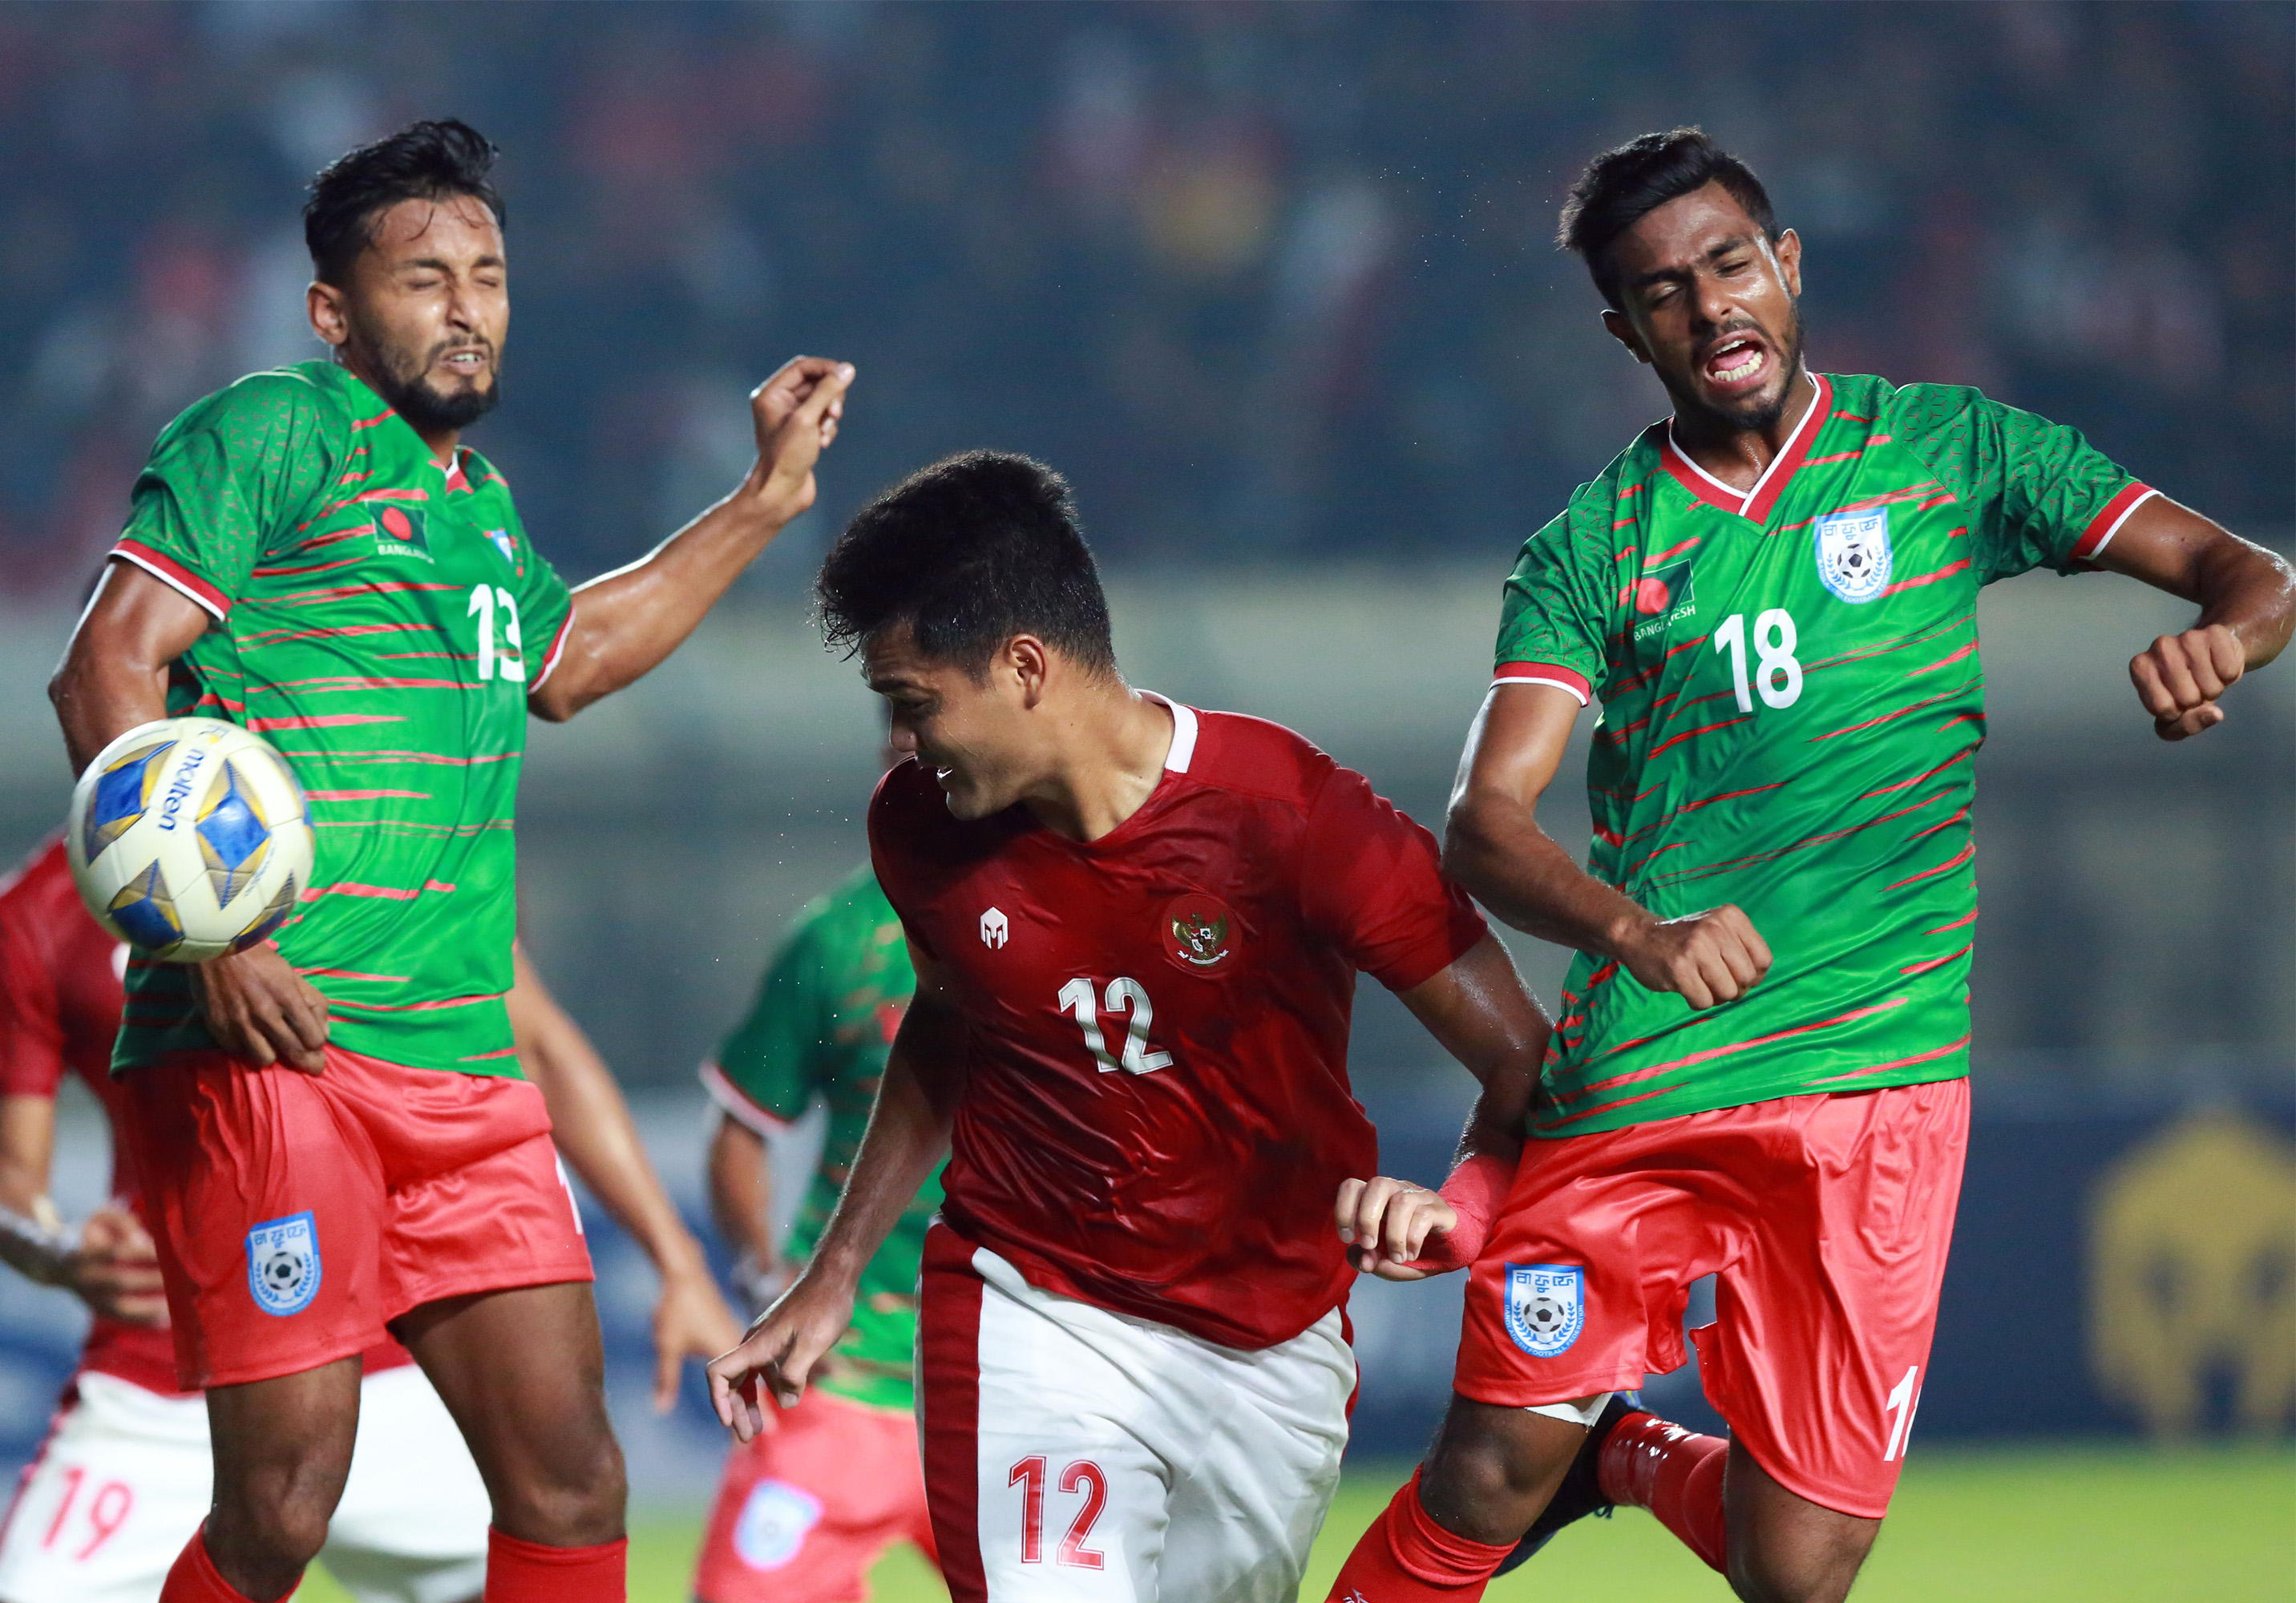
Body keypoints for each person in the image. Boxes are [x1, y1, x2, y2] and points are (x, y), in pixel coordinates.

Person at [1324, 127, 2296, 1603]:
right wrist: (1637, 935)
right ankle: (1567, 1460)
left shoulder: (1949, 452)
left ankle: (1632, 1460)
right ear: (1623, 329)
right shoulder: (1592, 550)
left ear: (1786, 266)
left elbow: (2253, 573)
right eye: (1661, 291)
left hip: (1881, 1080)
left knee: (1801, 1576)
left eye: (1728, 264)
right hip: (1648, 1072)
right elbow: (1488, 822)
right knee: (1483, 1470)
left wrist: (2223, 637)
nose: (1709, 307)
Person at [45, 119, 852, 1603]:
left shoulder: (480, 512)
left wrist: (761, 507)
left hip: (468, 1077)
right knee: (285, 1502)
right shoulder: (270, 433)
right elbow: (105, 671)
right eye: (424, 277)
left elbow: (572, 655)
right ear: (334, 312)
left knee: (572, 1484)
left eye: (487, 273)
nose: (467, 305)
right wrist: (214, 945)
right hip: (280, 1048)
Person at [705, 451, 1554, 1603]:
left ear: (1022, 667)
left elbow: (1519, 1062)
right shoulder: (921, 829)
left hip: (1272, 1343)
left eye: (916, 704)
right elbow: (949, 1027)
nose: (908, 744)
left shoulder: (1297, 820)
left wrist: (1453, 1212)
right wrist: (833, 1271)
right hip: (1031, 1305)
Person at [0, 831, 742, 1603]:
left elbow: (532, 1043)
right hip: (170, 1376)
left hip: (404, 1362)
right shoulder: (37, 914)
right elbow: (7, 1189)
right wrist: (60, 1251)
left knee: (556, 1534)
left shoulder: (389, 816)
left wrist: (679, 1263)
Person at [692, 855, 943, 1602]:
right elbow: (740, 1125)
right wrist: (768, 1281)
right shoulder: (841, 938)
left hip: (1024, 1391)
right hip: (842, 1381)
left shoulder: (1083, 914)